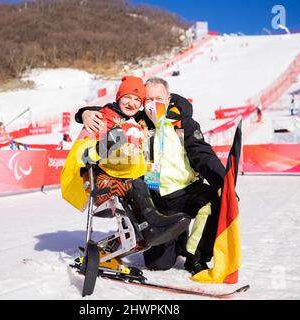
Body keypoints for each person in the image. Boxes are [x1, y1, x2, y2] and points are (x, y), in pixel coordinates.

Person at [76, 77, 226, 274]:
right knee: (159, 264)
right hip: (155, 200)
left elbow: (202, 153)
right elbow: (114, 109)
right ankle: (176, 237)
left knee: (214, 200)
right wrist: (85, 113)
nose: (154, 104)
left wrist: (224, 181)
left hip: (185, 190)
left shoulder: (182, 122)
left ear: (169, 98)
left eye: (159, 98)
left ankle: (195, 258)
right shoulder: (137, 121)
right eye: (149, 99)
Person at [61, 76, 190, 248]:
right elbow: (84, 156)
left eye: (137, 99)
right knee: (136, 186)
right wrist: (86, 115)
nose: (131, 103)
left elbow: (180, 105)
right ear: (118, 97)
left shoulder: (138, 120)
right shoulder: (103, 118)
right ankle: (151, 226)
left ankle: (142, 232)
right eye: (127, 97)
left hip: (129, 181)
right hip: (102, 184)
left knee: (141, 185)